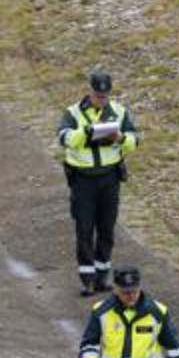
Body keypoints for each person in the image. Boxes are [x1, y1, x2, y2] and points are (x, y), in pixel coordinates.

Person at [58, 70, 140, 296]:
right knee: (84, 230)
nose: (101, 99)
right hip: (83, 180)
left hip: (109, 179)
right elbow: (64, 139)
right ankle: (87, 280)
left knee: (107, 229)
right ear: (90, 91)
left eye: (105, 96)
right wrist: (86, 132)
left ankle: (102, 276)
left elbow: (134, 141)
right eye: (98, 95)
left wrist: (121, 138)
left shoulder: (119, 112)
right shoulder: (73, 113)